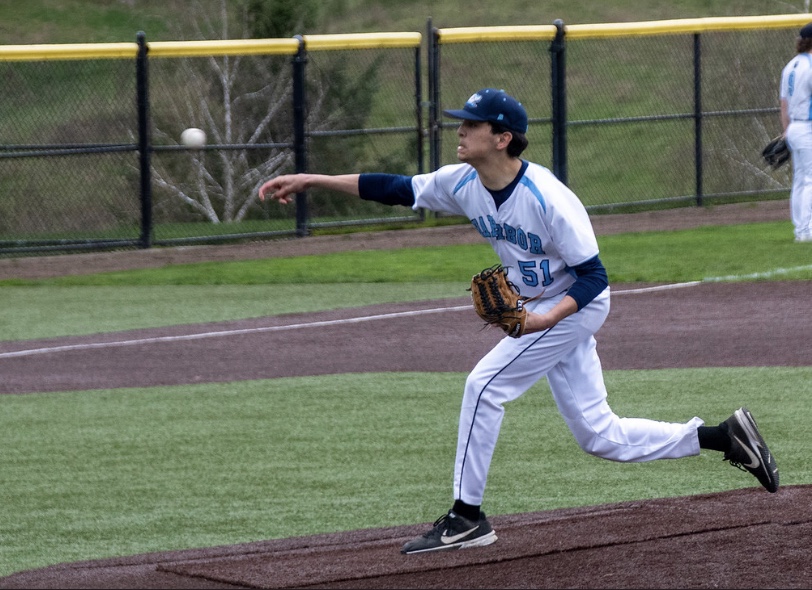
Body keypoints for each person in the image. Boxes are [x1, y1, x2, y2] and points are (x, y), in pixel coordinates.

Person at [258, 88, 780, 555]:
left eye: (471, 124)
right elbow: (397, 187)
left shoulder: (549, 198)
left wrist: (546, 316)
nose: (459, 131)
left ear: (502, 137)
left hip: (572, 306)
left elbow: (594, 277)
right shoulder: (462, 180)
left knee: (484, 385)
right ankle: (722, 437)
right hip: (541, 310)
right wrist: (313, 180)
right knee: (601, 436)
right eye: (460, 122)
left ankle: (467, 517)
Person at [780, 22, 812, 242]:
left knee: (800, 180)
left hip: (793, 127)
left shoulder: (791, 65)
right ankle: (807, 229)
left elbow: (784, 104)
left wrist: (786, 132)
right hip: (807, 127)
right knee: (810, 180)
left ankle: (800, 229)